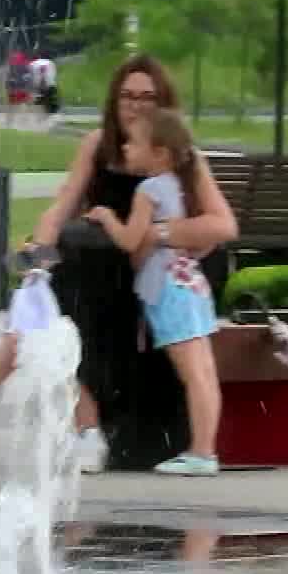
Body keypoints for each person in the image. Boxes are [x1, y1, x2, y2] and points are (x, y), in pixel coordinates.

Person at [0, 53, 239, 473]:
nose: (135, 105)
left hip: (148, 275)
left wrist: (159, 233)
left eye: (146, 97)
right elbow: (60, 207)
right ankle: (75, 418)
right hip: (100, 268)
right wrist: (39, 255)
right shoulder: (97, 146)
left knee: (69, 278)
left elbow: (223, 225)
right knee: (51, 277)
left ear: (162, 102)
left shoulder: (179, 156)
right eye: (127, 96)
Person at [84, 107, 224, 477]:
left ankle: (201, 453)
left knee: (193, 373)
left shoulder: (148, 190)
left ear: (159, 153)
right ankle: (206, 449)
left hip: (168, 290)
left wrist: (106, 217)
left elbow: (131, 240)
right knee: (204, 371)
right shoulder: (181, 185)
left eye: (133, 143)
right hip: (191, 283)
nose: (126, 148)